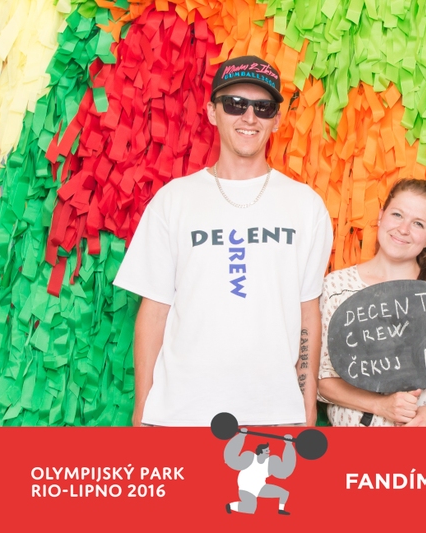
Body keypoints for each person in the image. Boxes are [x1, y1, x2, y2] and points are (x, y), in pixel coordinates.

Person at [114, 56, 333, 427]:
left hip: (275, 414)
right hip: (181, 415)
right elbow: (154, 312)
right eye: (235, 104)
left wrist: (306, 403)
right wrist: (143, 410)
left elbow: (307, 312)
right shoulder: (174, 200)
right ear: (212, 112)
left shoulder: (307, 206)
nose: (249, 117)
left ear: (277, 120)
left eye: (263, 108)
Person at [317, 179, 426, 426]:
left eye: (418, 223)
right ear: (381, 216)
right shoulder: (337, 287)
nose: (403, 229)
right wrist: (380, 406)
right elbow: (322, 379)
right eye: (397, 215)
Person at [223, 430, 296, 516]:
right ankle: (230, 505)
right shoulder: (250, 458)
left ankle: (281, 510)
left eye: (269, 450)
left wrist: (288, 444)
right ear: (260, 451)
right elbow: (231, 458)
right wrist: (241, 436)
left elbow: (285, 470)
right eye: (266, 450)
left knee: (284, 493)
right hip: (246, 488)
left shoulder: (270, 463)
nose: (269, 451)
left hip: (260, 487)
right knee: (250, 509)